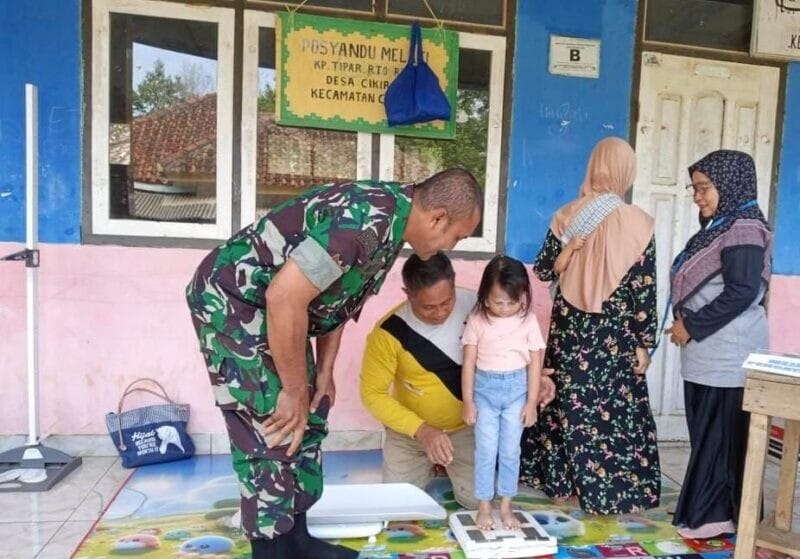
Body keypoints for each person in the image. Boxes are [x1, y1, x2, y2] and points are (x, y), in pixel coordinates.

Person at [186, 170, 482, 559]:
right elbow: (284, 297)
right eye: (456, 236)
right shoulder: (363, 222)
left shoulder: (391, 226)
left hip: (279, 311)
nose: (452, 245)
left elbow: (335, 300)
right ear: (438, 217)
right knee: (274, 421)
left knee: (310, 411)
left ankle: (298, 541)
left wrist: (322, 373)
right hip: (234, 303)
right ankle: (272, 551)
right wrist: (292, 389)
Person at [520, 137, 661, 514]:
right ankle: (614, 489)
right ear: (625, 172)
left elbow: (544, 268)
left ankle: (560, 482)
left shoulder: (568, 215)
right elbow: (642, 288)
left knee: (566, 399)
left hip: (570, 326)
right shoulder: (639, 223)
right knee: (614, 406)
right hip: (615, 331)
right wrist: (643, 341)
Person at [666, 150, 772, 539]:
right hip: (711, 353)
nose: (698, 196)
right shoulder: (725, 225)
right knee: (713, 436)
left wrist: (690, 325)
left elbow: (742, 291)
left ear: (729, 184)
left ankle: (714, 516)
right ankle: (726, 512)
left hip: (728, 353)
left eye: (704, 188)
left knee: (719, 437)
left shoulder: (742, 227)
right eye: (694, 188)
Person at [360, 253, 479, 509]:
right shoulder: (389, 332)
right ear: (408, 293)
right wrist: (422, 431)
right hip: (411, 434)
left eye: (447, 302)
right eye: (428, 307)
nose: (440, 313)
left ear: (453, 281)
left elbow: (512, 342)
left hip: (467, 428)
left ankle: (445, 465)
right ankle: (430, 461)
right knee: (397, 507)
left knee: (479, 502)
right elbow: (373, 395)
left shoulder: (478, 305)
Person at [461, 255, 545, 530]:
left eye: (512, 301)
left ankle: (506, 505)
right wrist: (468, 402)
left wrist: (532, 402)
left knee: (510, 451)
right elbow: (469, 363)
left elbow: (535, 365)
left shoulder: (528, 321)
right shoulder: (476, 320)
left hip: (517, 391)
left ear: (523, 296)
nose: (506, 308)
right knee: (485, 451)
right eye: (498, 302)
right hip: (484, 391)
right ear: (485, 296)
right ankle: (484, 506)